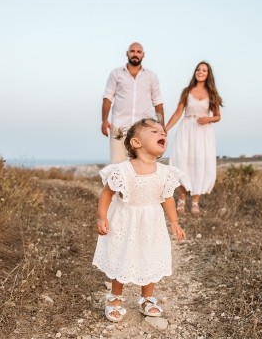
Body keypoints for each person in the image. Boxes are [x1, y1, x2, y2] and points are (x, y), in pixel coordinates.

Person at [92, 115, 186, 322]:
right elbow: (107, 193)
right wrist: (102, 217)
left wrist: (175, 222)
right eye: (154, 131)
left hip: (151, 223)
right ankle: (115, 298)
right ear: (136, 143)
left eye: (163, 132)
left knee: (149, 257)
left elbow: (168, 198)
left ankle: (147, 298)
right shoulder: (122, 170)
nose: (162, 133)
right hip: (124, 221)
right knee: (121, 256)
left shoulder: (164, 172)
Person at [165, 61, 223, 214]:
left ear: (208, 74)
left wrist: (208, 119)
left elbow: (217, 116)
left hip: (203, 131)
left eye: (204, 70)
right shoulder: (187, 91)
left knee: (200, 163)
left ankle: (195, 202)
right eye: (198, 69)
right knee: (182, 161)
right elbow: (178, 113)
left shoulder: (212, 94)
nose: (200, 72)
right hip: (187, 128)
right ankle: (182, 200)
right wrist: (165, 129)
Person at [101, 43, 164, 164]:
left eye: (138, 52)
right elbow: (108, 97)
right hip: (119, 127)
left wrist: (161, 125)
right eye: (132, 51)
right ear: (127, 53)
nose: (135, 54)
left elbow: (158, 102)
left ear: (143, 55)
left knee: (142, 165)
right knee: (117, 166)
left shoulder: (151, 76)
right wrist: (104, 120)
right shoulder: (116, 74)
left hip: (143, 129)